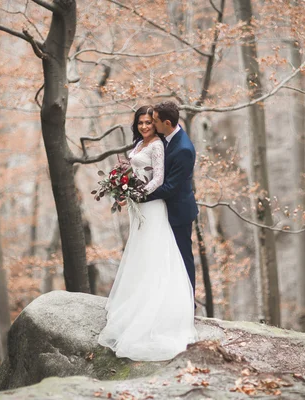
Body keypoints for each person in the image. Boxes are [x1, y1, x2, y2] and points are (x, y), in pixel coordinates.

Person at [97, 105, 197, 361]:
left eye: (150, 122)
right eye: (141, 122)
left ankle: (182, 309)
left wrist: (136, 196)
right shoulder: (150, 142)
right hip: (144, 206)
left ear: (162, 123)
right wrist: (122, 188)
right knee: (143, 255)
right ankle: (137, 300)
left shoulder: (177, 147)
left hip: (166, 207)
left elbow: (165, 183)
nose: (145, 125)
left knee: (175, 258)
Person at [145, 101, 199, 296]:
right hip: (162, 209)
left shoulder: (183, 149)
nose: (152, 124)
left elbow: (169, 188)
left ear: (167, 123)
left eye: (155, 121)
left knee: (183, 257)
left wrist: (139, 196)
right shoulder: (166, 135)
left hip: (179, 212)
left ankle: (188, 302)